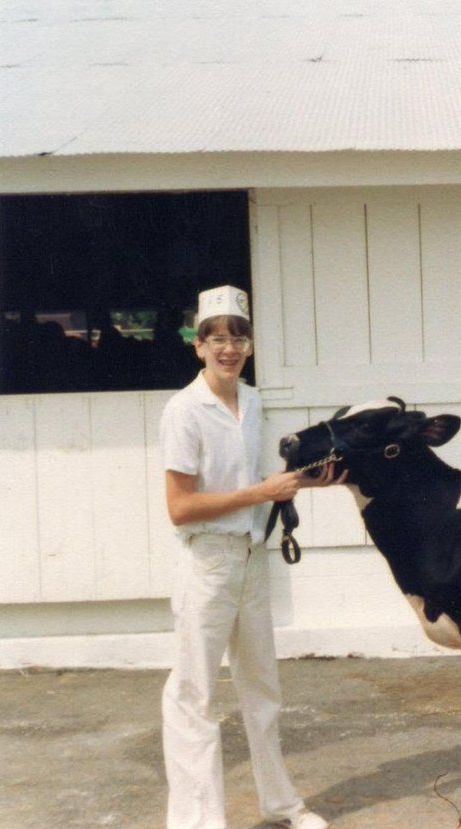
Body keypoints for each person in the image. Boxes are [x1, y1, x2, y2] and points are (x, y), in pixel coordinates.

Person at [159, 285, 344, 829]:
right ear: (198, 345)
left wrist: (305, 483)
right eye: (217, 338)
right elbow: (180, 507)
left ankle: (281, 805)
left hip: (251, 558)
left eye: (238, 337)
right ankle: (197, 822)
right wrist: (260, 493)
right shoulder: (183, 410)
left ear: (251, 345)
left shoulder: (254, 401)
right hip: (208, 563)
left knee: (263, 689)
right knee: (193, 695)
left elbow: (254, 480)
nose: (229, 348)